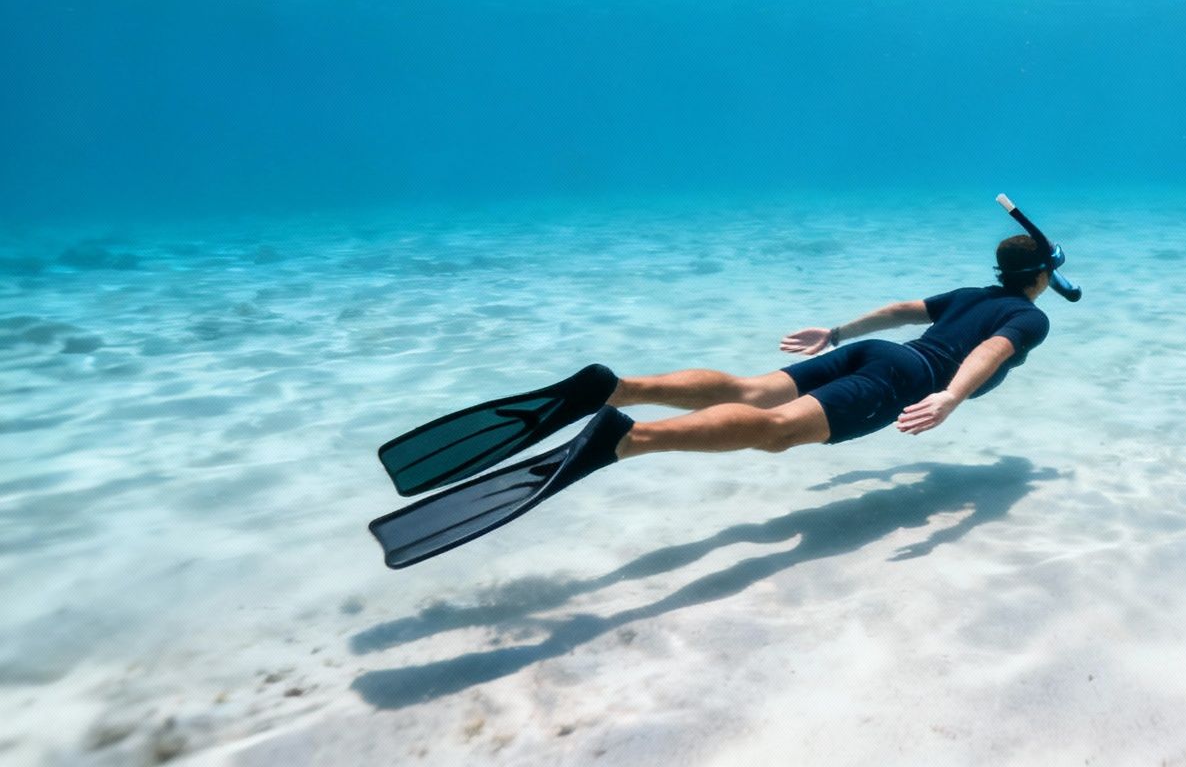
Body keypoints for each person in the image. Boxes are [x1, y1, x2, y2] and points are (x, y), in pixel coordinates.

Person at [367, 196, 1079, 569]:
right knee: (772, 434)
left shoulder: (967, 288)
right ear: (1043, 276)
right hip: (906, 377)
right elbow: (991, 350)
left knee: (747, 389)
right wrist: (951, 395)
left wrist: (836, 332)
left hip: (878, 352)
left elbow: (898, 310)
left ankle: (618, 389)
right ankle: (625, 439)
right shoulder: (1029, 316)